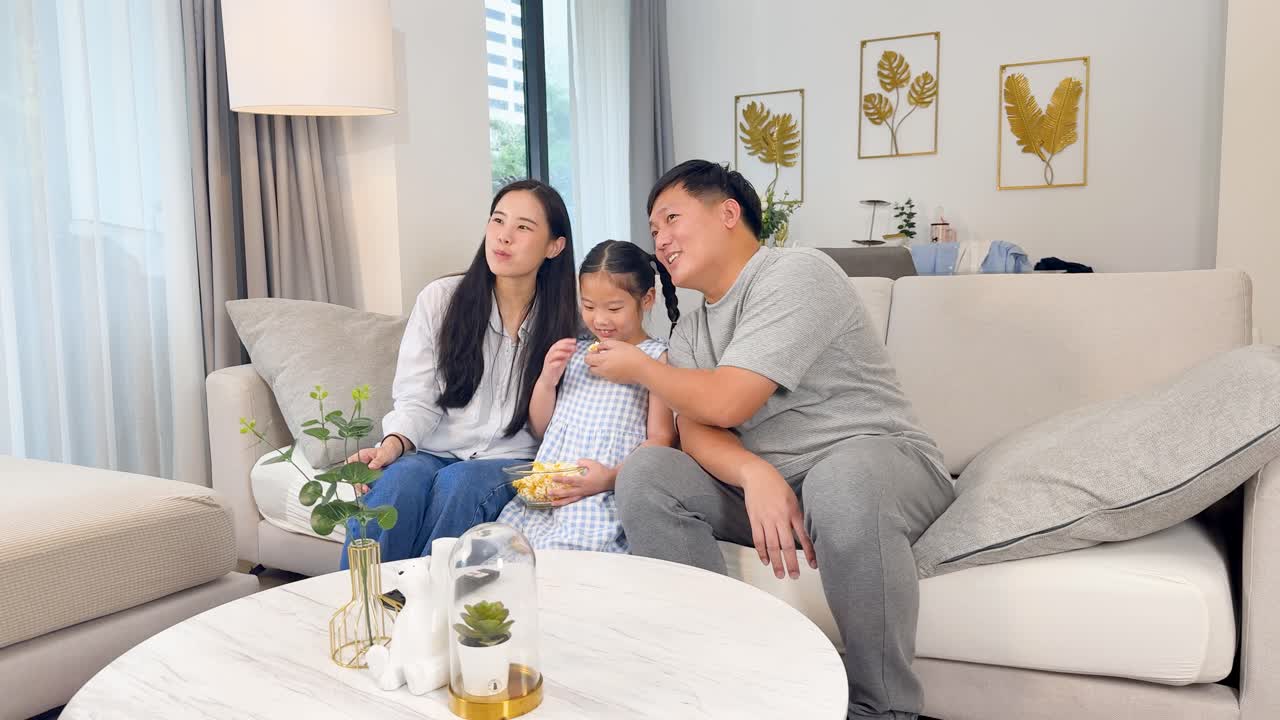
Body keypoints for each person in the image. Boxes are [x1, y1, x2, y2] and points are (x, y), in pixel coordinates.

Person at [586, 160, 956, 720]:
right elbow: (695, 429)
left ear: (728, 214)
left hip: (880, 462)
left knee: (842, 481)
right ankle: (721, 684)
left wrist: (640, 366)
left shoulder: (795, 273)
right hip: (783, 486)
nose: (659, 239)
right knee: (649, 472)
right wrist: (754, 474)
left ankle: (883, 708)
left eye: (671, 219)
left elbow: (728, 401)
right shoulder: (690, 329)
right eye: (653, 228)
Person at [340, 179, 578, 569]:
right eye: (497, 221)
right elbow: (417, 396)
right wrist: (394, 443)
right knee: (398, 484)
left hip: (509, 460)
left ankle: (421, 607)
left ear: (555, 246)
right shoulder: (442, 300)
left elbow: (557, 423)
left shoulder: (569, 323)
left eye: (523, 227)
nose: (504, 236)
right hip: (433, 449)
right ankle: (358, 607)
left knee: (462, 483)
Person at [496, 240, 678, 551]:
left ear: (647, 299)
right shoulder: (577, 350)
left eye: (614, 308)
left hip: (602, 494)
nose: (600, 320)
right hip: (547, 494)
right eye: (589, 306)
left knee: (568, 557)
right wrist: (547, 381)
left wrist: (609, 479)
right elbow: (542, 428)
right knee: (506, 550)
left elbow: (661, 440)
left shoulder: (655, 359)